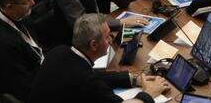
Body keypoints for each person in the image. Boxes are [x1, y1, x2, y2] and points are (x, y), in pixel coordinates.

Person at [27, 14, 161, 103]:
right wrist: (149, 93)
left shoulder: (60, 51)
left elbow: (92, 74)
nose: (111, 40)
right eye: (107, 36)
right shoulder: (86, 82)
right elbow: (88, 79)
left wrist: (133, 79)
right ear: (93, 45)